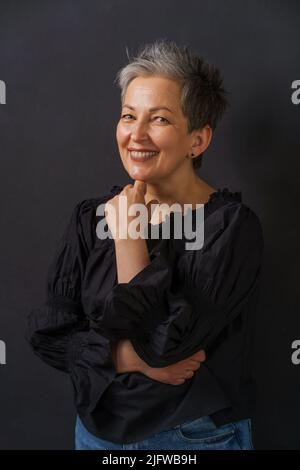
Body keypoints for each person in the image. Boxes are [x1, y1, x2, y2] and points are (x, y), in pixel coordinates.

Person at [26, 39, 264, 450]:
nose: (136, 134)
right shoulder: (90, 216)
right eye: (128, 116)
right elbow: (50, 335)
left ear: (198, 140)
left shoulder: (230, 228)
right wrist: (123, 358)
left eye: (159, 120)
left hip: (194, 438)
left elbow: (162, 347)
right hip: (96, 437)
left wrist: (129, 239)